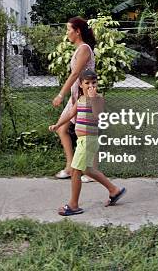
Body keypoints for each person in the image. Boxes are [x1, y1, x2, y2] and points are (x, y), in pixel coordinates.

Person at [49, 69, 126, 216]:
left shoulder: (98, 98)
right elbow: (70, 114)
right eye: (87, 83)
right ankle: (114, 190)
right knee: (88, 170)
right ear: (80, 85)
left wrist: (92, 99)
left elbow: (98, 116)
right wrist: (58, 125)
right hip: (83, 141)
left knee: (76, 170)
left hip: (89, 140)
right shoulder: (80, 100)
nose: (91, 86)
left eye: (94, 83)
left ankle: (73, 205)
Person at [51, 17, 96, 182]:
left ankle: (91, 170)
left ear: (77, 31)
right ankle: (70, 167)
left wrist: (60, 94)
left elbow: (76, 74)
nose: (67, 33)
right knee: (61, 129)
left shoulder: (84, 48)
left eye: (69, 29)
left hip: (85, 97)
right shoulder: (79, 49)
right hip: (76, 97)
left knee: (85, 134)